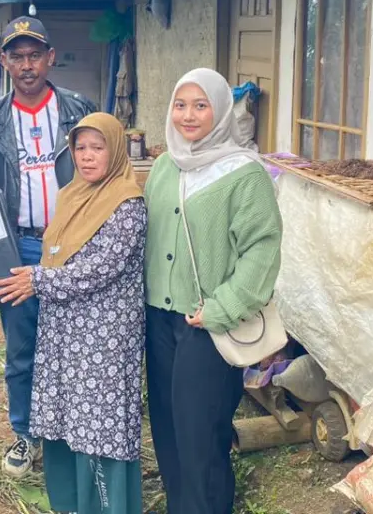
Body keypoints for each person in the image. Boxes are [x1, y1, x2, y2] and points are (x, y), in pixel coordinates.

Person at [143, 68, 283, 514]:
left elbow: (262, 252)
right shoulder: (164, 166)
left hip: (207, 324)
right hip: (159, 319)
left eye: (200, 106)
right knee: (167, 430)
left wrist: (222, 308)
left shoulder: (244, 173)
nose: (188, 115)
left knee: (201, 436)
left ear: (221, 111)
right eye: (180, 105)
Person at [0, 113, 146, 514]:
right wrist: (41, 279)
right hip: (63, 331)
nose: (88, 156)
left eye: (98, 148)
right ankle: (71, 504)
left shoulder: (126, 203)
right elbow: (58, 254)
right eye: (80, 148)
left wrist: (38, 280)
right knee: (65, 417)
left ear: (116, 151)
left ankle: (105, 506)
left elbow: (100, 268)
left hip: (104, 337)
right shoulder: (70, 195)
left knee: (98, 424)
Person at [0, 16, 97, 476]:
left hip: (73, 245)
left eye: (34, 55)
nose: (27, 65)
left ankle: (75, 433)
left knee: (77, 344)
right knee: (22, 349)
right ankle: (26, 434)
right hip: (20, 247)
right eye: (17, 56)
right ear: (3, 61)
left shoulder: (79, 111)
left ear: (50, 58)